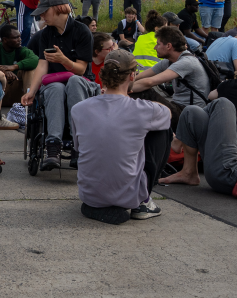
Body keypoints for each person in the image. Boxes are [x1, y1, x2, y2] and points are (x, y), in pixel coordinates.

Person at [73, 50, 171, 224]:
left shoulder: (79, 108)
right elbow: (168, 113)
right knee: (163, 130)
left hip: (89, 195)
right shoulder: (144, 110)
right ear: (132, 76)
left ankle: (102, 198)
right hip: (126, 196)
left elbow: (78, 147)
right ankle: (143, 201)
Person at [21, 0, 97, 170]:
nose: (41, 16)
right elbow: (42, 66)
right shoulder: (45, 34)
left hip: (80, 82)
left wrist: (64, 60)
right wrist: (31, 92)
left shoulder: (82, 31)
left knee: (74, 82)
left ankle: (78, 143)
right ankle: (53, 144)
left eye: (44, 12)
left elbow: (81, 69)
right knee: (55, 87)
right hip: (55, 82)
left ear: (58, 9)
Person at [131, 26, 212, 108]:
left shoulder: (186, 62)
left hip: (188, 112)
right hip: (177, 105)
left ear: (168, 46)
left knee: (145, 93)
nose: (154, 47)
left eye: (158, 44)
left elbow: (149, 82)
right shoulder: (169, 61)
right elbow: (139, 77)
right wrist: (122, 84)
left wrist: (121, 90)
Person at [0, 23, 39, 111]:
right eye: (16, 37)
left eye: (19, 37)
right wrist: (2, 71)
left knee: (31, 69)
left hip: (18, 94)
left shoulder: (21, 50)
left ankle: (30, 104)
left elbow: (35, 59)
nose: (20, 40)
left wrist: (13, 67)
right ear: (5, 40)